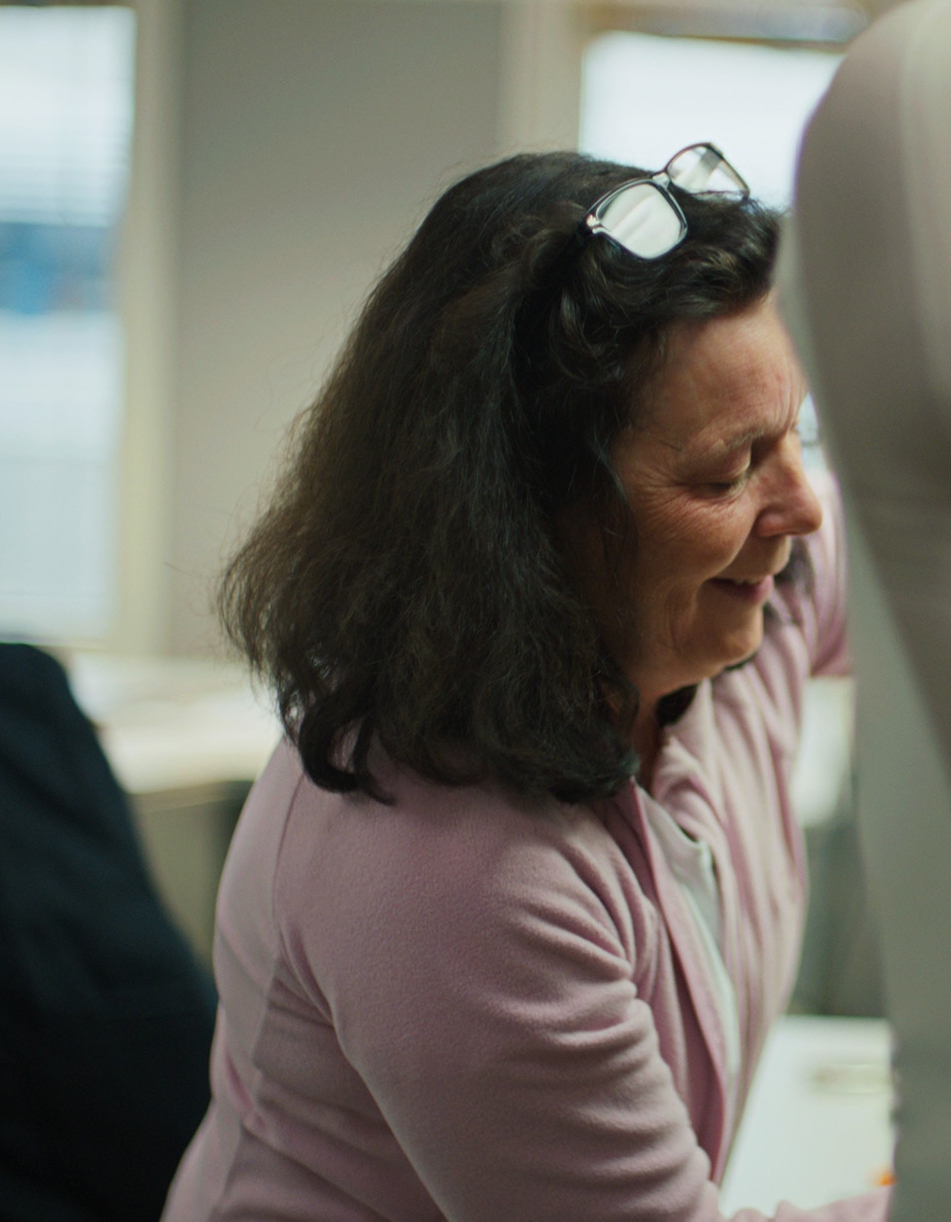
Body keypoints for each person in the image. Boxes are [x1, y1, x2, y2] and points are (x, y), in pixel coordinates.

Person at [160, 148, 885, 1222]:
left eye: (797, 435)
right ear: (522, 522)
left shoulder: (731, 602)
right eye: (729, 470)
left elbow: (946, 570)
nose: (801, 505)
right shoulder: (450, 871)